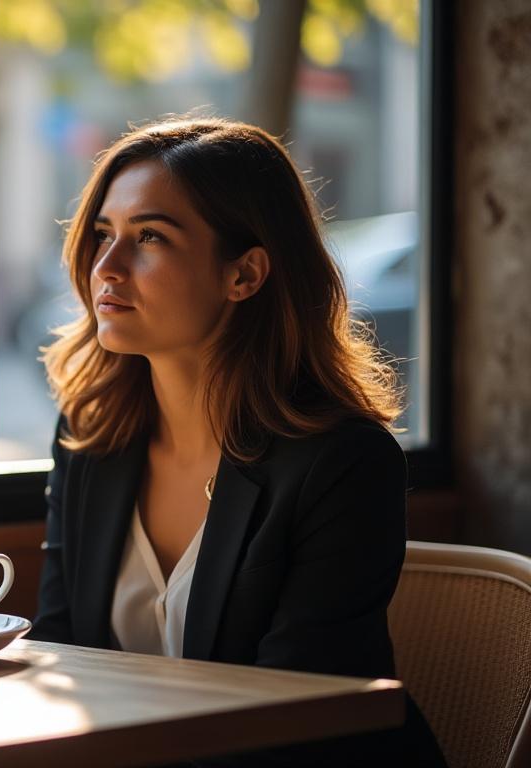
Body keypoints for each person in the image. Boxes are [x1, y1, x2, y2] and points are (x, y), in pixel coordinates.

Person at [29, 116, 446, 766]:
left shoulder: (343, 463)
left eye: (149, 238)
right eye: (103, 235)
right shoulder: (90, 437)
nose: (105, 267)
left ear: (245, 275)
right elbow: (59, 653)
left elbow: (291, 719)